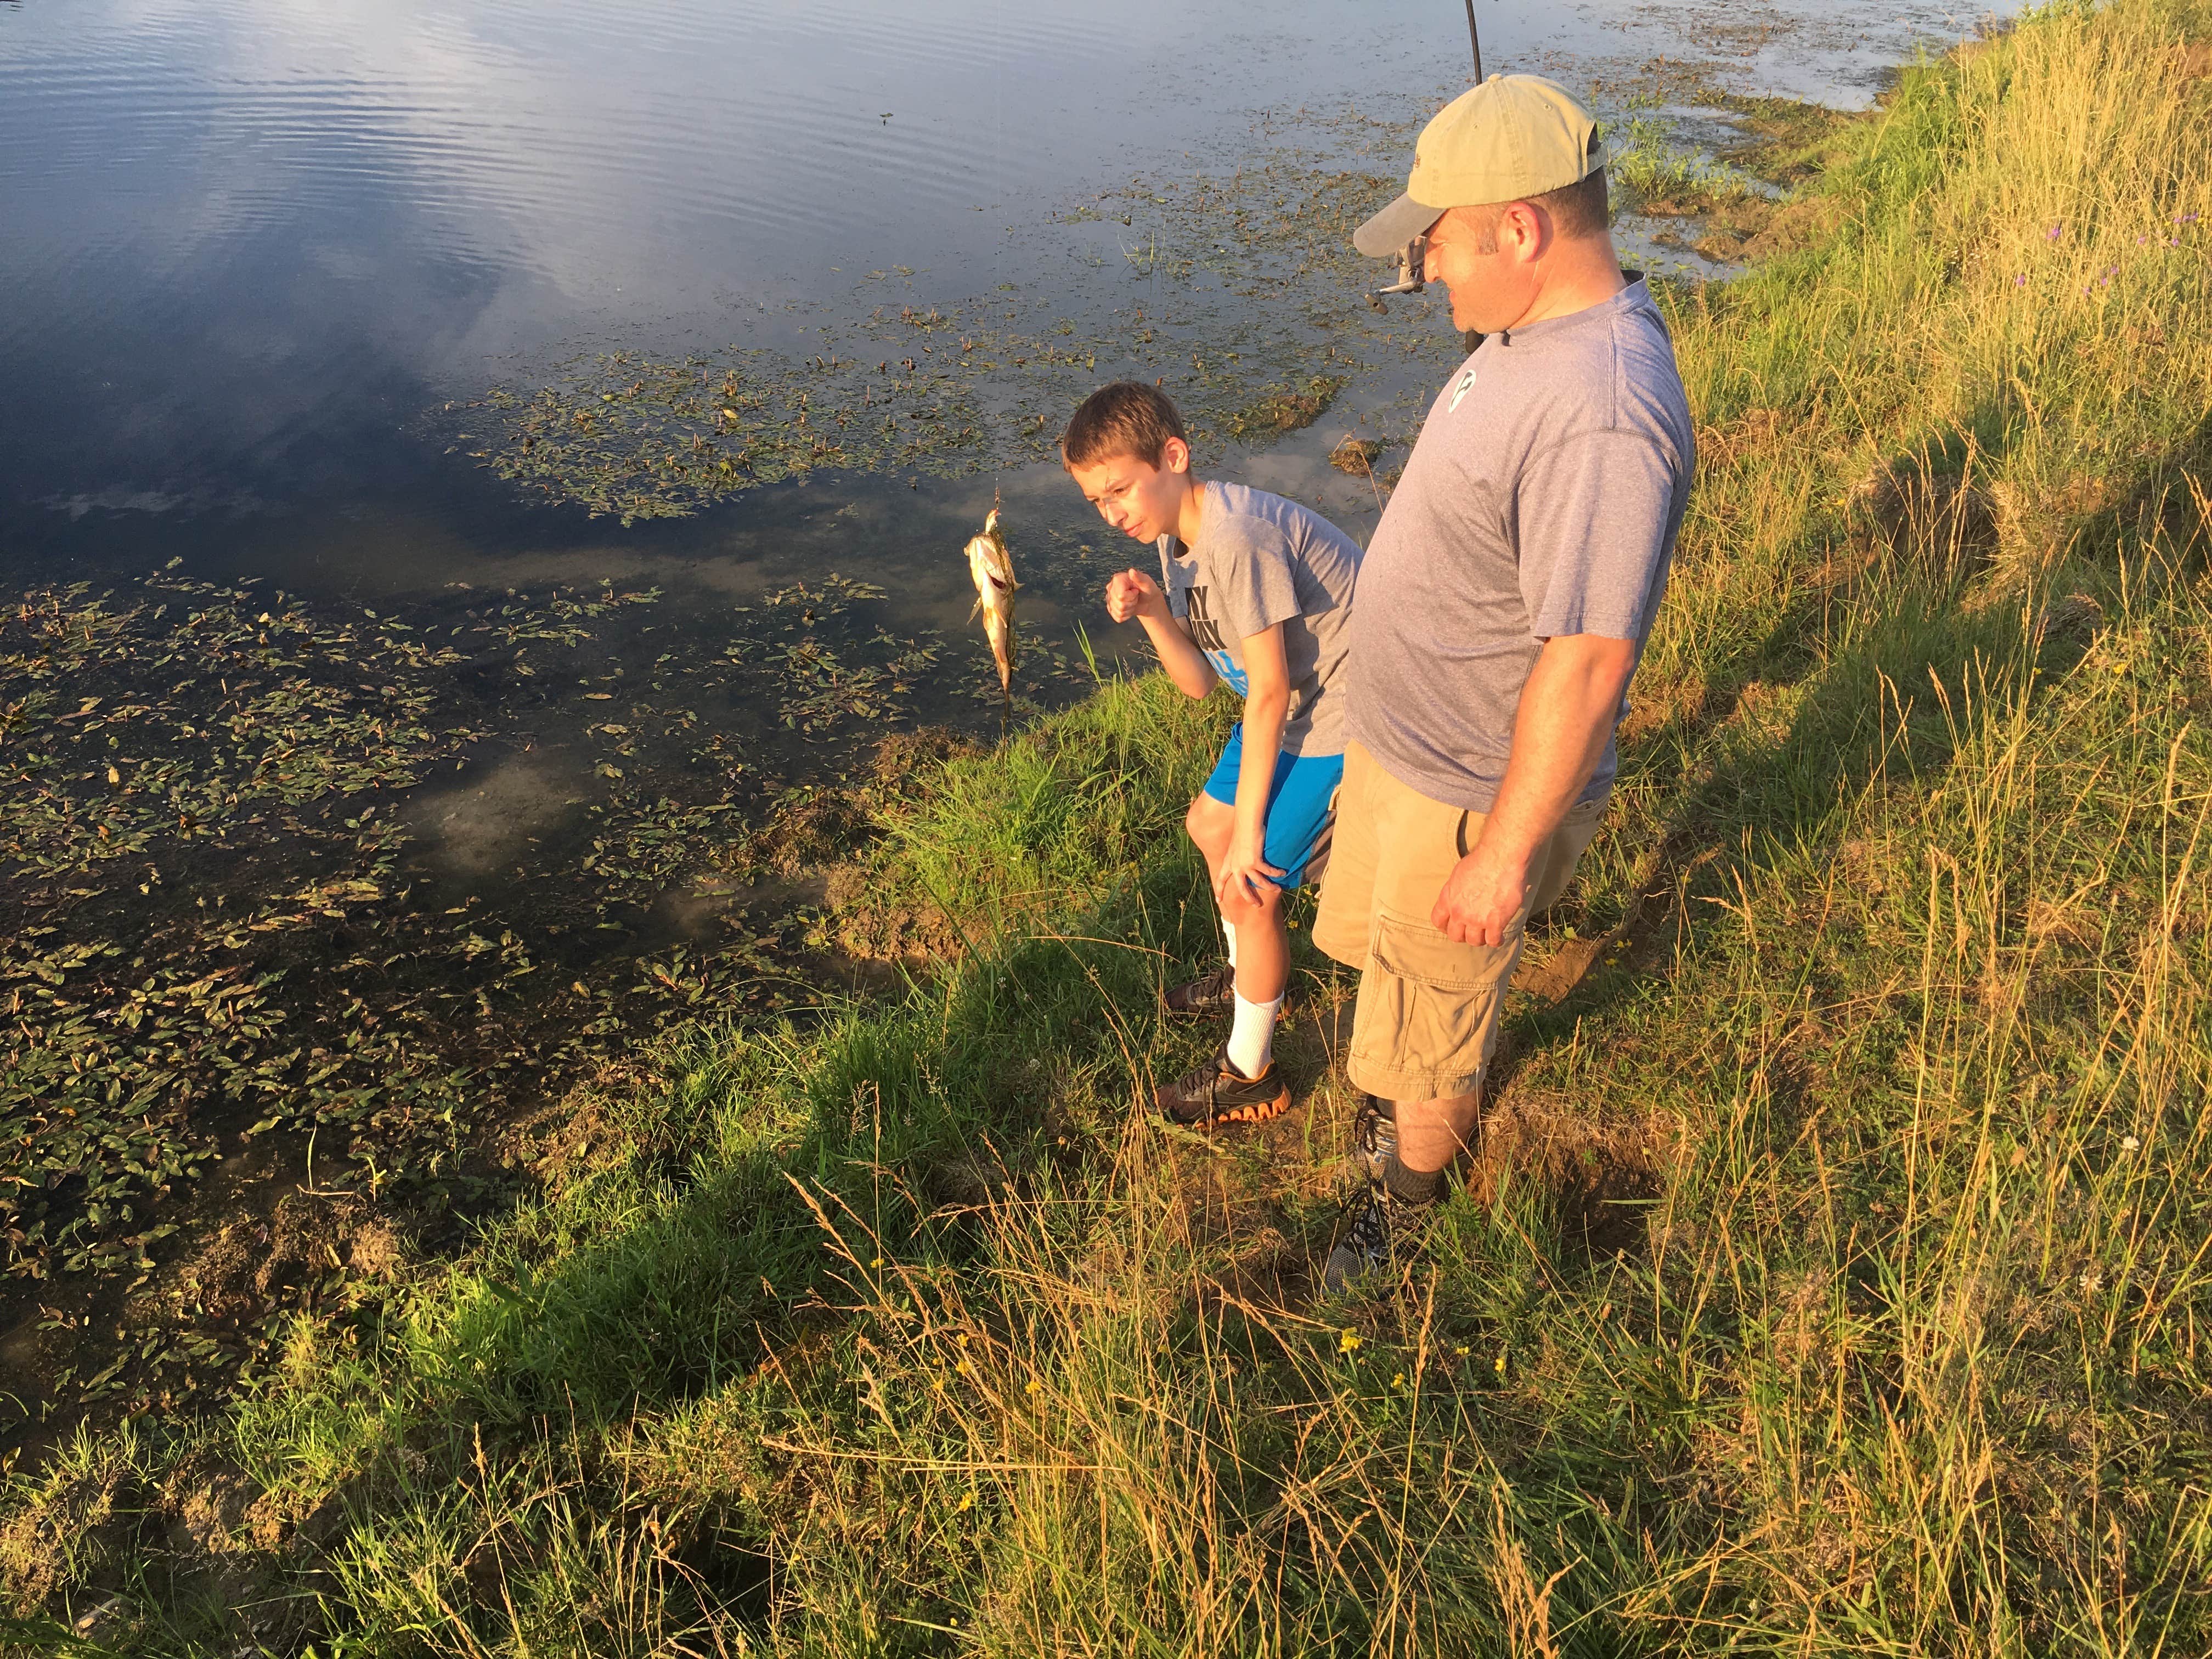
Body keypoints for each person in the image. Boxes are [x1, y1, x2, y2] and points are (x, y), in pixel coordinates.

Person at [1315, 75, 1695, 1288]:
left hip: (1470, 791)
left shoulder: (1604, 410)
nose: (1425, 275)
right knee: (1389, 972)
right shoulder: (1530, 330)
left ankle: (1411, 1201)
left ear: (1521, 229)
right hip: (1402, 750)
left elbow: (1587, 659)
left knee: (1439, 1024)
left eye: (1435, 246)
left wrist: (1502, 854)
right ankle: (1401, 1114)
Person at [1062, 382, 1363, 1127]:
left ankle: (1250, 1073)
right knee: (1207, 828)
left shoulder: (1236, 538)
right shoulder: (1177, 538)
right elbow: (1201, 684)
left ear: (1174, 456)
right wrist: (1157, 616)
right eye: (1098, 502)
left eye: (1121, 490)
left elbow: (1264, 693)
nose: (1113, 513)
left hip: (1344, 713)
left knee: (1249, 883)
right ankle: (1248, 975)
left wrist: (1253, 834)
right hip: (1292, 707)